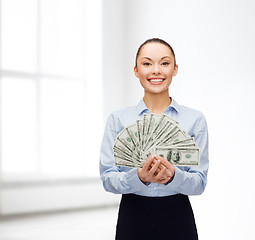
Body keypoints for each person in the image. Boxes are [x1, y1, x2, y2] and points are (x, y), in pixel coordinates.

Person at [99, 38, 209, 240]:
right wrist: (139, 177)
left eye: (164, 63)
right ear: (136, 70)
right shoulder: (118, 119)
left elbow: (199, 183)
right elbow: (108, 179)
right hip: (133, 215)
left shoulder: (195, 119)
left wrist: (174, 176)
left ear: (175, 69)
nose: (156, 70)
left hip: (178, 216)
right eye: (147, 63)